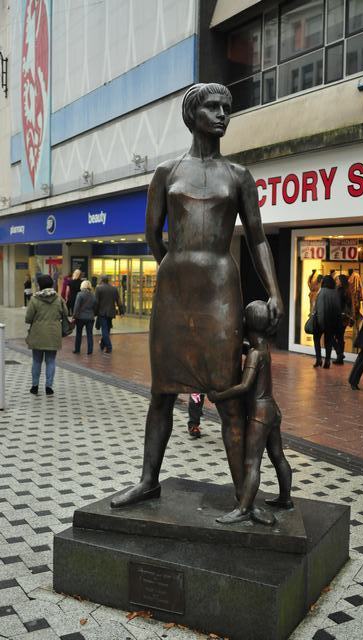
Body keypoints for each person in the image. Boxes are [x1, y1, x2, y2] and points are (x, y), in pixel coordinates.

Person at [111, 83, 283, 509]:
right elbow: (152, 233)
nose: (223, 114)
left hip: (221, 292)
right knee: (162, 392)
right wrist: (175, 269)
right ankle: (149, 480)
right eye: (213, 106)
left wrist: (275, 292)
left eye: (227, 107)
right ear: (192, 114)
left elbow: (258, 239)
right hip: (174, 294)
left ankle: (245, 498)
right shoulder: (167, 173)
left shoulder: (238, 176)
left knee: (228, 398)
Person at [209, 301, 293, 525]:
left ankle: (244, 508)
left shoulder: (255, 355)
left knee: (251, 462)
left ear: (247, 323)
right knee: (277, 456)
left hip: (260, 413)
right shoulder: (264, 347)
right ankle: (286, 498)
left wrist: (219, 395)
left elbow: (245, 386)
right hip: (272, 409)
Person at [25, 274, 69, 396]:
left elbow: (28, 318)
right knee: (51, 361)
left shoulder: (34, 299)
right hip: (53, 334)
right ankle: (49, 387)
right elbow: (65, 313)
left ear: (40, 285)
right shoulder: (59, 299)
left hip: (37, 334)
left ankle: (34, 386)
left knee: (36, 361)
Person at [312, 275, 343, 369]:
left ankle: (318, 359)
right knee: (328, 342)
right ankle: (327, 361)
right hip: (332, 321)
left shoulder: (322, 292)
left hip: (321, 321)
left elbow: (320, 309)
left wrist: (321, 323)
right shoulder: (335, 293)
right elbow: (338, 309)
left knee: (316, 339)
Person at [95, 275, 124, 353]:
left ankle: (109, 347)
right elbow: (118, 301)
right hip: (111, 312)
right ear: (108, 280)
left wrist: (95, 312)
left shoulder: (98, 288)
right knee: (107, 330)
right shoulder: (114, 289)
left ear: (101, 280)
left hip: (102, 312)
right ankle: (102, 345)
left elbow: (96, 302)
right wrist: (121, 311)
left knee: (104, 330)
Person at [333, 274, 353, 365]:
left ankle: (339, 355)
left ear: (341, 281)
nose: (336, 281)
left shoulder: (343, 291)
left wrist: (347, 315)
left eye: (338, 280)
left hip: (341, 317)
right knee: (339, 337)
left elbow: (347, 305)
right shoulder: (340, 290)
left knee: (336, 336)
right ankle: (340, 356)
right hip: (340, 317)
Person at [72, 280, 96, 355]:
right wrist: (93, 314)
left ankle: (77, 349)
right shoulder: (93, 295)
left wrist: (74, 316)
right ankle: (90, 350)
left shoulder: (80, 294)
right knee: (90, 334)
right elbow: (95, 306)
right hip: (90, 317)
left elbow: (76, 306)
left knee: (79, 334)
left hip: (80, 317)